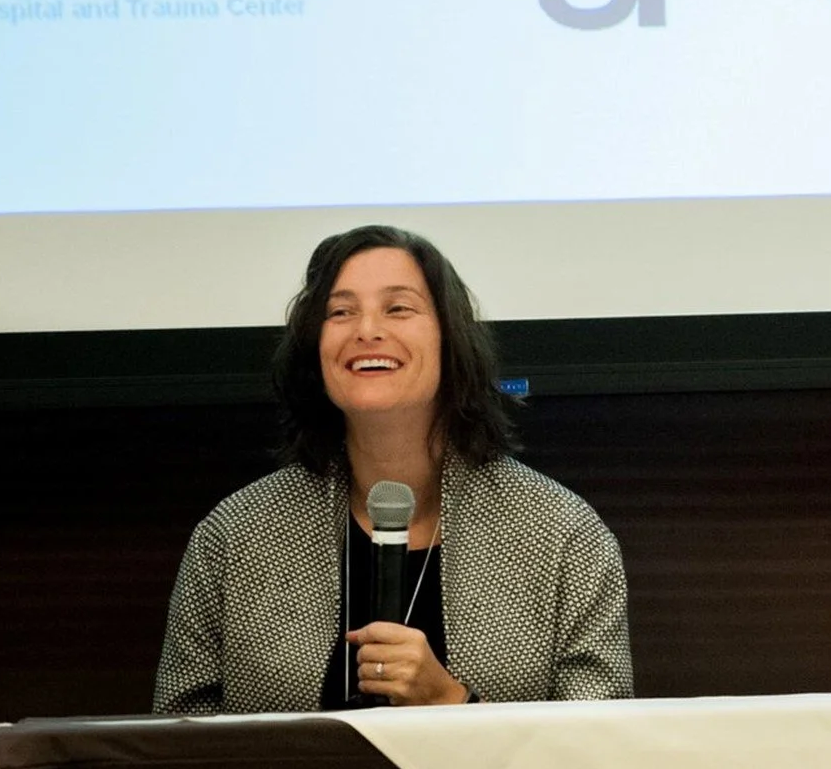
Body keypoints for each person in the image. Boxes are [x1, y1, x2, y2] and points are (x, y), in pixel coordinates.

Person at [154, 225, 632, 713]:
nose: (366, 331)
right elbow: (177, 736)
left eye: (398, 308)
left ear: (450, 340)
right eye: (340, 312)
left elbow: (598, 744)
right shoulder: (236, 534)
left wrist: (450, 701)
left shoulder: (561, 532)